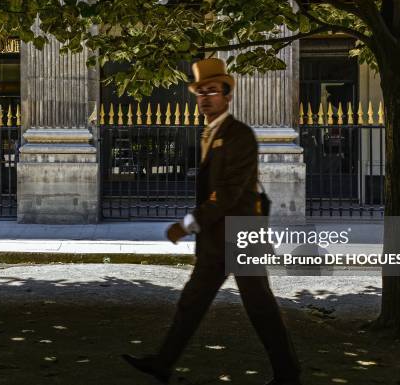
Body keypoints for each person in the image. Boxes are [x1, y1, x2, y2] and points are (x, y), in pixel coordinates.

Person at [122, 58, 302, 385]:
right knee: (192, 301)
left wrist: (189, 223)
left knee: (260, 305)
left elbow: (229, 192)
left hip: (243, 233)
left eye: (213, 91)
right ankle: (163, 363)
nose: (205, 98)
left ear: (227, 96)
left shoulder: (240, 135)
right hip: (217, 237)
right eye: (200, 92)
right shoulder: (209, 133)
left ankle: (288, 373)